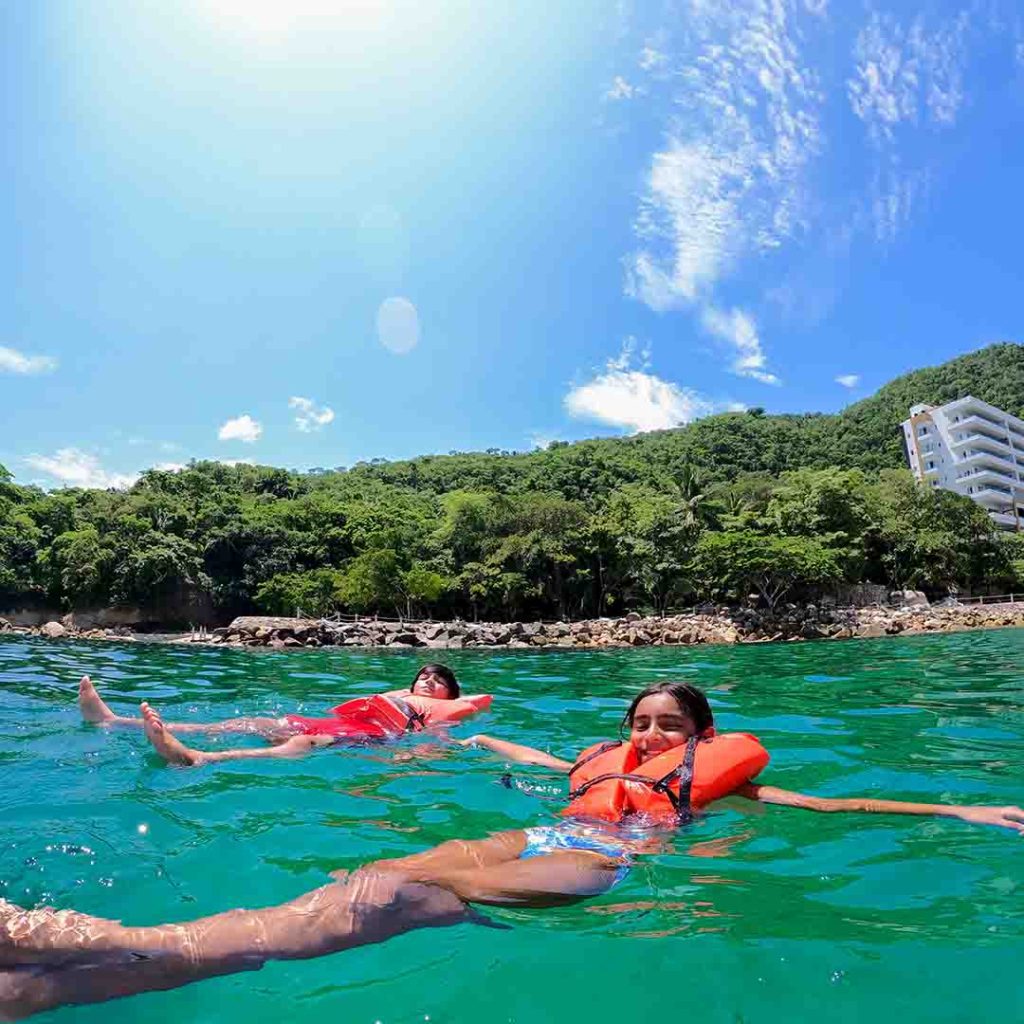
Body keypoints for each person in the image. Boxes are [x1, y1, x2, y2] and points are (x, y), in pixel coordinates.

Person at [4, 681, 1020, 1018]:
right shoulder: (592, 766)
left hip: (603, 862)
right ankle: (45, 985)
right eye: (640, 721)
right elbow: (531, 752)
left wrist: (961, 816)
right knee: (365, 881)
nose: (649, 734)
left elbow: (833, 808)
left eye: (668, 724)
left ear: (700, 737)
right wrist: (474, 734)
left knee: (398, 890)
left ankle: (68, 940)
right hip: (540, 829)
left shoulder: (720, 784)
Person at [78, 665, 491, 767]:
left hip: (369, 740)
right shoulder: (396, 696)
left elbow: (438, 744)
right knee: (248, 723)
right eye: (422, 677)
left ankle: (197, 758)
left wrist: (411, 759)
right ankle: (114, 721)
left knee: (303, 744)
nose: (425, 683)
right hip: (341, 724)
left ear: (451, 693)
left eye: (436, 681)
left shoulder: (448, 716)